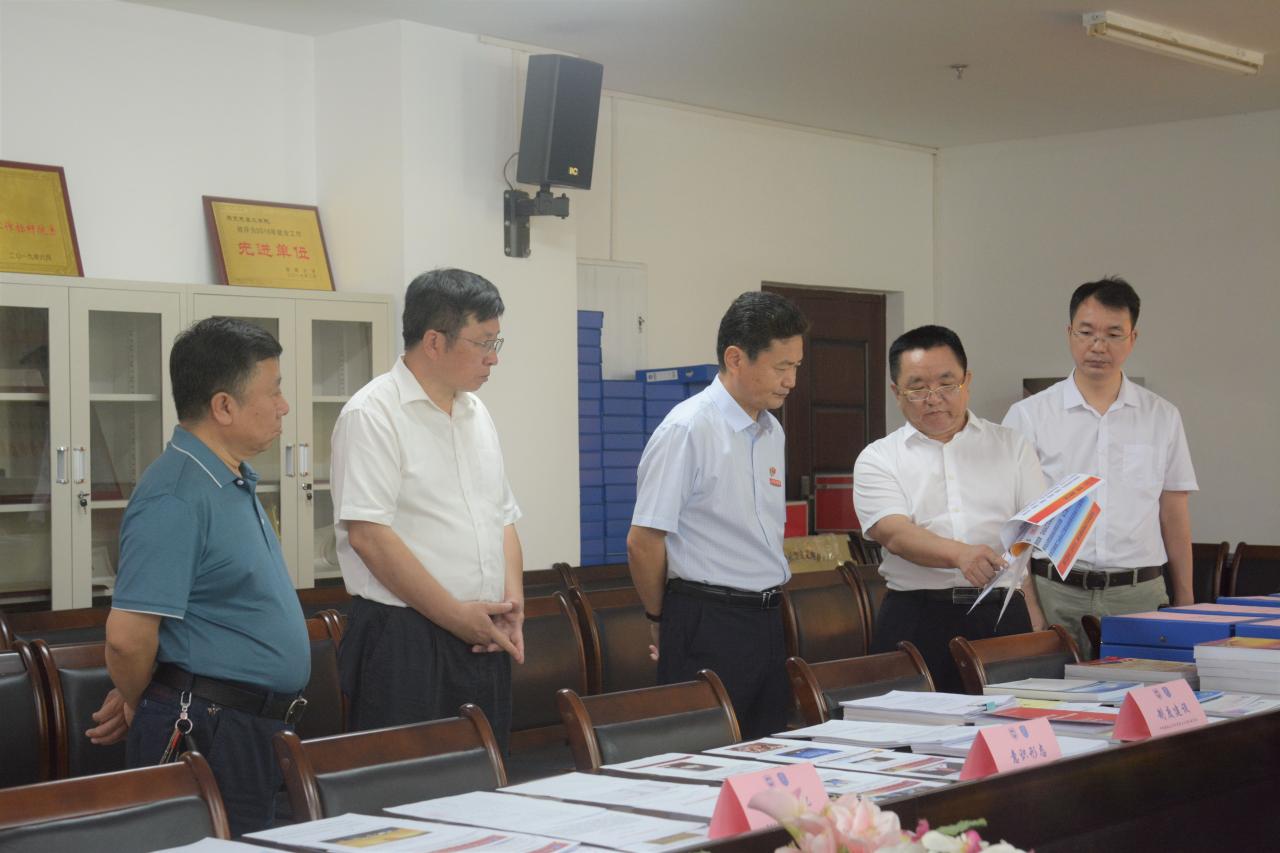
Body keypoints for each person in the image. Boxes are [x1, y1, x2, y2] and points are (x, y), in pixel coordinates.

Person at [91, 317, 308, 836]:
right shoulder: (176, 495)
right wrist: (146, 699)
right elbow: (126, 639)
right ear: (224, 406)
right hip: (209, 730)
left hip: (246, 726)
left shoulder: (228, 478)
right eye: (274, 391)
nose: (283, 406)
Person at [331, 268, 523, 750]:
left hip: (483, 634)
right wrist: (456, 616)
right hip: (404, 638)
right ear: (434, 341)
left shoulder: (477, 414)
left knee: (486, 777)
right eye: (483, 343)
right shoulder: (373, 413)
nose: (493, 358)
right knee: (406, 783)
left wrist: (512, 607)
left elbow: (502, 517)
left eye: (496, 342)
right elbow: (369, 536)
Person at [627, 290, 808, 739]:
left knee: (767, 752)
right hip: (707, 619)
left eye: (796, 366)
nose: (791, 381)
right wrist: (660, 620)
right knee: (703, 752)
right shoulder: (688, 428)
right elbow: (644, 540)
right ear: (735, 358)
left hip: (767, 616)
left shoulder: (772, 430)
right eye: (781, 367)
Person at [1003, 277, 1197, 656]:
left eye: (1113, 334)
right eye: (1087, 332)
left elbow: (1174, 511)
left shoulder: (1162, 416)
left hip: (1139, 593)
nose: (1098, 345)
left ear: (1132, 338)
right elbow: (1013, 519)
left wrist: (1187, 600)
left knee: (1145, 690)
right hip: (1054, 591)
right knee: (1055, 691)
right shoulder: (1029, 416)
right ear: (1069, 333)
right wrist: (1029, 604)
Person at [853, 325, 1047, 694]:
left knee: (1012, 721)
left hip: (1001, 613)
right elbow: (894, 533)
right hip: (917, 617)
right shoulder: (878, 458)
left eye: (946, 384)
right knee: (908, 724)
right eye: (917, 388)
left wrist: (1033, 605)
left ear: (966, 381)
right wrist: (961, 555)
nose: (934, 399)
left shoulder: (1011, 446)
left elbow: (1031, 530)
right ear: (896, 392)